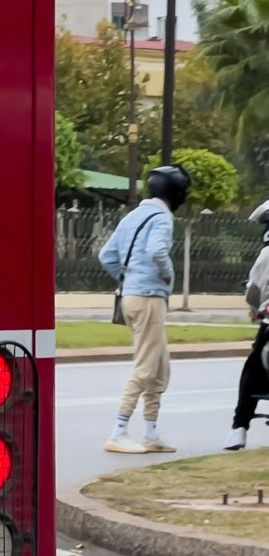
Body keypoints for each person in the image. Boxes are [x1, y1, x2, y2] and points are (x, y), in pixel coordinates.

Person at [98, 164, 192, 454]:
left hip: (132, 296)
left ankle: (151, 433)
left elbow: (106, 255)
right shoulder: (162, 218)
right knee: (146, 366)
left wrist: (128, 279)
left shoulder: (134, 215)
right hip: (149, 297)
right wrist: (163, 275)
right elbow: (156, 251)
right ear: (176, 192)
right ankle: (119, 431)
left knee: (160, 368)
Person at [224, 197, 269, 451]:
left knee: (253, 369)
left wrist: (257, 308)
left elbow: (253, 293)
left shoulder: (266, 254)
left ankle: (239, 428)